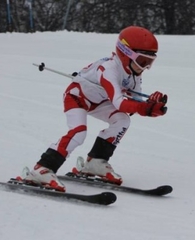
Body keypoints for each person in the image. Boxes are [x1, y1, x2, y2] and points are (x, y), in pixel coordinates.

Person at [22, 26, 168, 192]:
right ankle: (42, 169)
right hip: (77, 97)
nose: (145, 68)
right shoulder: (108, 69)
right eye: (142, 61)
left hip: (98, 102)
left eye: (149, 62)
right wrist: (145, 109)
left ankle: (96, 162)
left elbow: (134, 105)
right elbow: (120, 103)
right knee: (79, 132)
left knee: (122, 120)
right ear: (125, 53)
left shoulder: (134, 74)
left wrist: (153, 107)